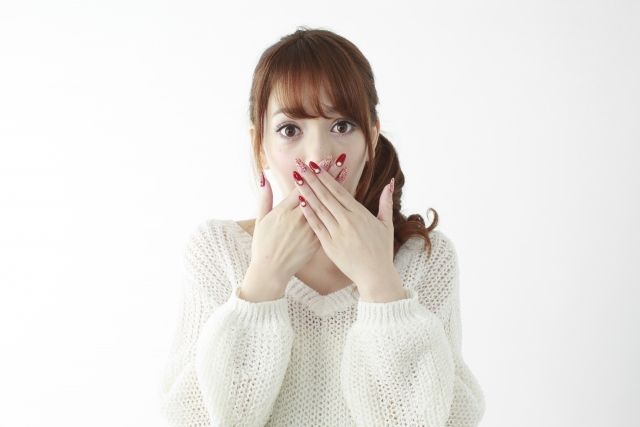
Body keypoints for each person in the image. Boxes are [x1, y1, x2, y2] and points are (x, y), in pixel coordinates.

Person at [159, 26, 486, 426]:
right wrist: (262, 283)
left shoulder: (425, 260)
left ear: (372, 137)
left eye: (342, 126)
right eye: (290, 130)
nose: (318, 155)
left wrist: (381, 286)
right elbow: (191, 418)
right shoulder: (218, 251)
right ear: (259, 146)